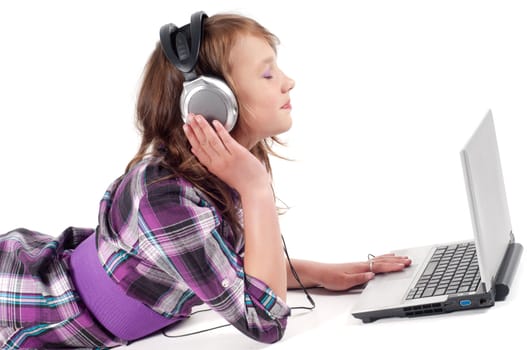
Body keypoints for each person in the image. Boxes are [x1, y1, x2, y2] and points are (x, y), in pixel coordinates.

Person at [0, 12, 411, 348]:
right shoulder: (165, 200)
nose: (288, 81)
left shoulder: (213, 174)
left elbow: (221, 267)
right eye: (267, 75)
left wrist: (317, 272)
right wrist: (256, 191)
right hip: (24, 304)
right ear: (210, 102)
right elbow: (264, 320)